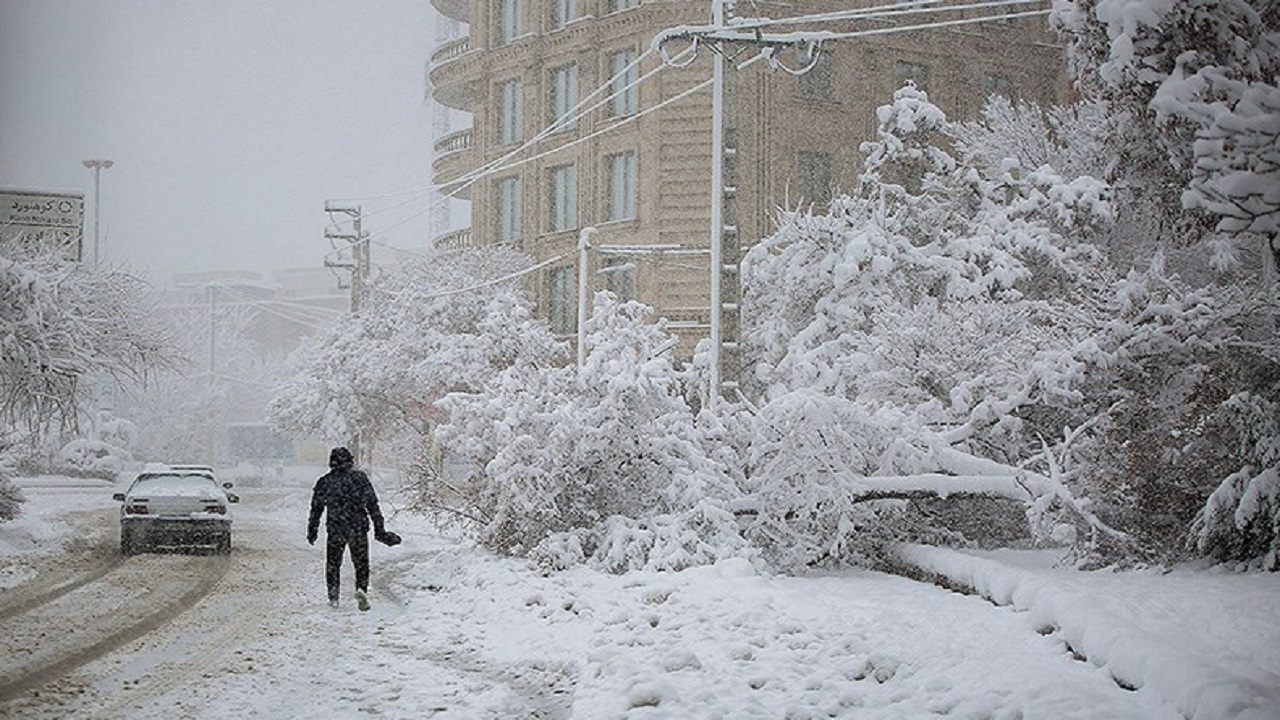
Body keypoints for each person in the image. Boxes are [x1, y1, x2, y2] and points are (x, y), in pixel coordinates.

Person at [307, 446, 386, 611]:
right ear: (350, 461)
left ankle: (333, 596)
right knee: (361, 563)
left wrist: (312, 530)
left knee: (333, 564)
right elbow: (373, 505)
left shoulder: (325, 482)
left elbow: (316, 509)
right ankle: (361, 590)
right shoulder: (360, 479)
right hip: (358, 528)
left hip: (336, 528)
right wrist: (379, 528)